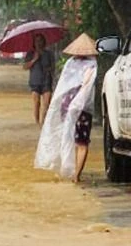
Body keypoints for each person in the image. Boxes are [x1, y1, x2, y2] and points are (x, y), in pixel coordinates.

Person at [34, 33, 99, 183]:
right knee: (82, 142)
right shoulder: (92, 65)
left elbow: (63, 86)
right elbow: (86, 88)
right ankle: (76, 175)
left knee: (67, 137)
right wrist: (76, 105)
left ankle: (67, 170)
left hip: (67, 105)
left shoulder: (70, 63)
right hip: (82, 109)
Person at [23, 33, 56, 126]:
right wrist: (34, 60)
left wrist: (49, 70)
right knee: (37, 102)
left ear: (44, 42)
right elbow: (25, 67)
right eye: (37, 41)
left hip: (46, 81)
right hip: (35, 81)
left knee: (47, 103)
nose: (39, 43)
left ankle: (43, 122)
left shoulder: (49, 54)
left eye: (41, 41)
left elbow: (53, 67)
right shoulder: (30, 53)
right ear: (34, 43)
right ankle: (37, 122)